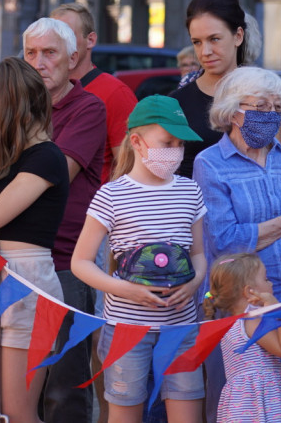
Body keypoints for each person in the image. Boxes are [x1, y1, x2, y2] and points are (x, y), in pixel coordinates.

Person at [72, 94, 207, 423]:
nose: (175, 151)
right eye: (167, 142)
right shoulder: (111, 195)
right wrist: (126, 290)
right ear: (137, 141)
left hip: (182, 328)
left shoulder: (190, 191)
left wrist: (193, 284)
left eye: (180, 144)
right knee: (124, 413)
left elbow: (199, 254)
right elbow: (81, 262)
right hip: (126, 330)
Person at [193, 66, 281, 420]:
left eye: (278, 108)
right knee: (239, 402)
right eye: (262, 106)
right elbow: (227, 241)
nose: (272, 116)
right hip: (237, 303)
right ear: (233, 111)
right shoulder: (210, 164)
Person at [0, 58, 69, 423]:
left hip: (28, 284)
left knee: (18, 413)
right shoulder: (14, 156)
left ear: (14, 111)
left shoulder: (46, 157)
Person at [22, 17, 106, 423]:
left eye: (49, 53)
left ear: (73, 58)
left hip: (66, 261)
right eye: (31, 53)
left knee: (64, 385)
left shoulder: (88, 107)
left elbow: (53, 177)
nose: (39, 62)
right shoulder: (15, 107)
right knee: (23, 382)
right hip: (16, 259)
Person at [203, 254, 281, 423]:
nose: (271, 283)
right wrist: (277, 310)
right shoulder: (252, 321)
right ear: (249, 291)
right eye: (266, 279)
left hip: (244, 409)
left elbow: (272, 373)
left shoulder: (235, 325)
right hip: (254, 410)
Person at [170, 0, 261, 180]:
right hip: (192, 208)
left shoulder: (264, 99)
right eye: (197, 42)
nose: (205, 52)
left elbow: (276, 167)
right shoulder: (176, 104)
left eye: (215, 39)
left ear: (238, 36)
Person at [51, 2, 137, 184]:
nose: (57, 43)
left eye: (67, 35)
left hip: (94, 209)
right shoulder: (43, 91)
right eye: (53, 36)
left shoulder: (115, 93)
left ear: (90, 40)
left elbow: (131, 170)